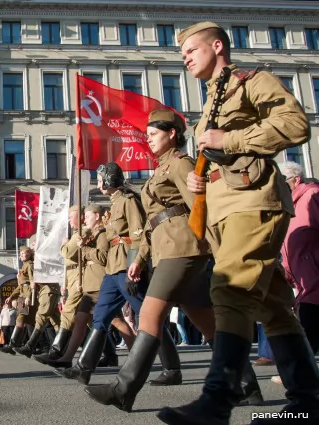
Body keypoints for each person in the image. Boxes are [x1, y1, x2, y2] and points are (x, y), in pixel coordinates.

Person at [157, 22, 319, 425]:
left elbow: (296, 124)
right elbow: (215, 156)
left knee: (227, 287)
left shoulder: (252, 81)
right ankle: (307, 400)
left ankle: (218, 400)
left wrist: (227, 141)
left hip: (254, 202)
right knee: (275, 307)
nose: (186, 57)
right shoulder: (210, 102)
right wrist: (199, 176)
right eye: (182, 54)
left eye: (191, 50)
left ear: (217, 46)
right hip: (225, 209)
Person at [84, 109, 262, 412]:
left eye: (154, 134)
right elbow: (151, 224)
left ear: (171, 134)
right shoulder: (161, 168)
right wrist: (141, 256)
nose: (149, 139)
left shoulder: (181, 164)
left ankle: (123, 388)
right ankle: (247, 386)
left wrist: (221, 252)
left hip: (184, 247)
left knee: (150, 314)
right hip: (167, 248)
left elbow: (201, 207)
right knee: (206, 323)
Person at [56, 162, 181, 386]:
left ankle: (172, 368)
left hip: (126, 265)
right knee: (101, 316)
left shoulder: (128, 201)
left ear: (110, 180)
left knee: (149, 315)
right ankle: (84, 369)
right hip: (112, 268)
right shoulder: (114, 203)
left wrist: (137, 265)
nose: (99, 182)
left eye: (102, 178)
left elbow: (138, 234)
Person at [33, 205, 83, 363]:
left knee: (68, 313)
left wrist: (64, 244)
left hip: (81, 278)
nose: (68, 221)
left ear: (81, 217)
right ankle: (108, 354)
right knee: (88, 318)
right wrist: (65, 283)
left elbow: (68, 253)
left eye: (70, 217)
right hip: (74, 276)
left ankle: (56, 352)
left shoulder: (82, 233)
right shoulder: (76, 234)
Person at [279, 161, 319, 355]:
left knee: (307, 320)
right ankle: (303, 373)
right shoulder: (289, 206)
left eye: (283, 182)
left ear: (296, 180)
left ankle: (302, 374)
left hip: (314, 275)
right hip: (301, 277)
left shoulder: (312, 195)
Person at [0, 246, 37, 354]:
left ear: (29, 254)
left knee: (22, 318)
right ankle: (34, 346)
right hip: (22, 294)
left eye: (24, 253)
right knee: (29, 321)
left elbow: (31, 282)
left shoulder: (29, 265)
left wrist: (29, 296)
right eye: (20, 254)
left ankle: (13, 345)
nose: (22, 256)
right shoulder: (24, 266)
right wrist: (11, 297)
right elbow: (20, 286)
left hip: (26, 295)